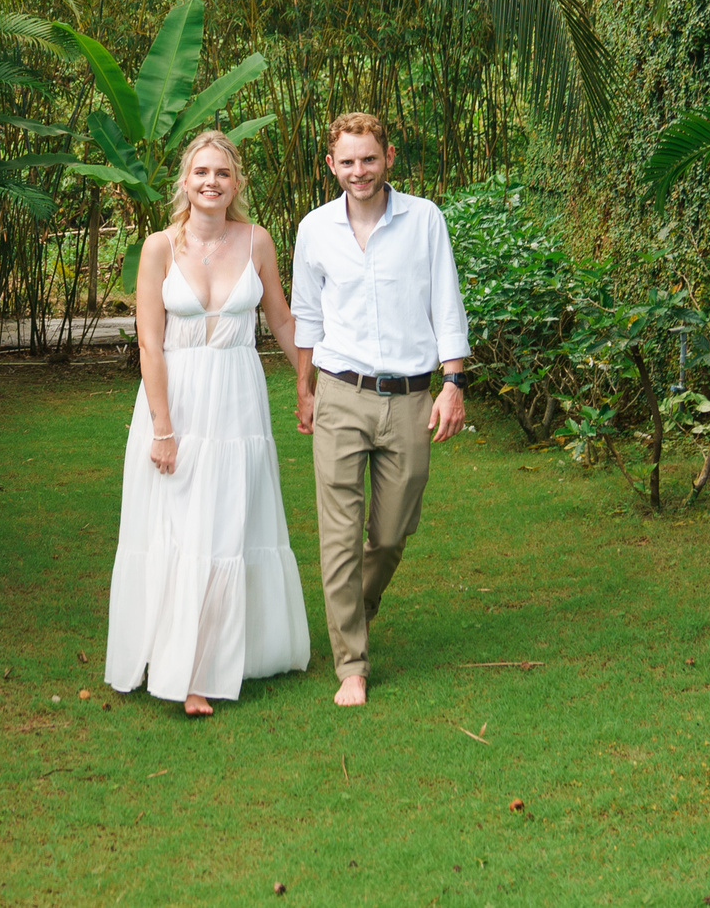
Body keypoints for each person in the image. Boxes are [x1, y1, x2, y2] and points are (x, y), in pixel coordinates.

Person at [104, 129, 313, 715]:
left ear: (236, 182)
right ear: (185, 182)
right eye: (201, 173)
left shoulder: (258, 242)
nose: (211, 183)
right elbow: (150, 343)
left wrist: (307, 382)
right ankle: (177, 663)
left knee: (229, 528)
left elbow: (282, 320)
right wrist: (163, 427)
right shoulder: (157, 248)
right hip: (177, 403)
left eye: (222, 173)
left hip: (238, 403)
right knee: (179, 531)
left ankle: (219, 663)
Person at [290, 111, 468, 707]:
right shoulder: (313, 229)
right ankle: (352, 664)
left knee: (390, 534)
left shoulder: (424, 220)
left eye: (369, 159)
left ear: (388, 157)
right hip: (340, 390)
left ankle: (350, 616)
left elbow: (446, 300)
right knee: (338, 535)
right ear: (330, 165)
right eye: (347, 161)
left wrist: (453, 383)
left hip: (414, 396)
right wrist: (304, 387)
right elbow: (307, 319)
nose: (358, 171)